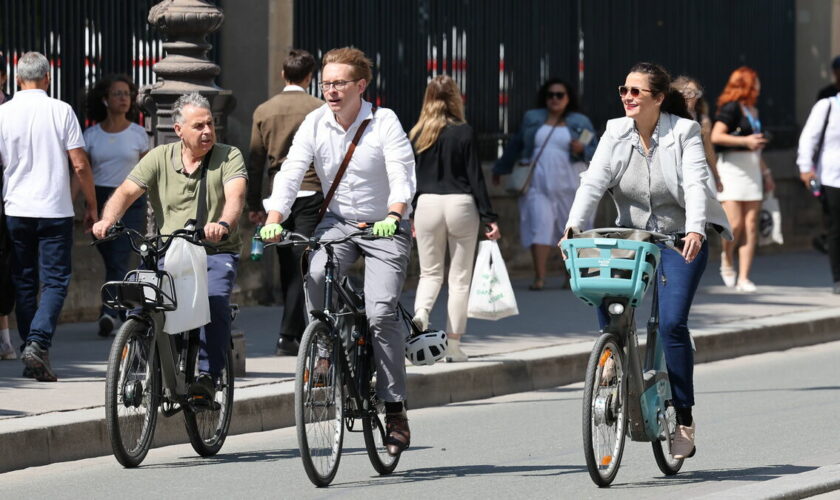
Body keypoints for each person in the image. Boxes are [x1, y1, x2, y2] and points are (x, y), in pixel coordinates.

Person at [563, 62, 732, 460]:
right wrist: (573, 226)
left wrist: (694, 229)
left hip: (678, 240)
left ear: (658, 98)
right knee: (607, 292)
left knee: (672, 324)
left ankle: (685, 419)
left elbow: (694, 183)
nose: (628, 97)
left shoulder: (684, 132)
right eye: (625, 90)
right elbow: (594, 180)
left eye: (637, 92)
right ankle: (613, 356)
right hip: (633, 238)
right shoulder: (614, 130)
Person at [261, 47, 415, 457]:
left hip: (385, 224)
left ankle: (395, 408)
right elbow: (292, 172)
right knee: (314, 272)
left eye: (338, 84)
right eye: (326, 83)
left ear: (360, 86)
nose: (330, 90)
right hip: (339, 223)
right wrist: (275, 217)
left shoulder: (384, 122)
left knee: (381, 311)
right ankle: (326, 348)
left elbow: (402, 174)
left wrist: (395, 213)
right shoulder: (314, 122)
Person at [92, 92, 247, 398]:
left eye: (210, 125)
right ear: (178, 130)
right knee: (145, 299)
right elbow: (125, 192)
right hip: (170, 249)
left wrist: (223, 225)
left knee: (214, 299)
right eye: (198, 126)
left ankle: (208, 375)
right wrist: (106, 220)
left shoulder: (229, 156)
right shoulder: (160, 157)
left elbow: (236, 198)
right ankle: (150, 363)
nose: (207, 131)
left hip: (215, 250)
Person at [0, 52, 98, 381]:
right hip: (54, 209)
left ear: (16, 80)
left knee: (24, 282)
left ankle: (33, 351)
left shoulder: (3, 113)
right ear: (48, 78)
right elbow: (80, 164)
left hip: (15, 209)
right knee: (55, 281)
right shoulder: (61, 110)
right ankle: (38, 342)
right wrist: (92, 206)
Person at [409, 75, 501, 363]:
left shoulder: (417, 133)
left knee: (429, 273)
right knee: (459, 279)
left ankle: (421, 313)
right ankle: (453, 346)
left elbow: (409, 179)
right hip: (460, 204)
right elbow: (476, 176)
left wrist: (410, 212)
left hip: (426, 204)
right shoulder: (464, 132)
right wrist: (489, 216)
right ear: (455, 98)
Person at [248, 49, 323, 356]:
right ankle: (290, 333)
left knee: (288, 265)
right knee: (303, 263)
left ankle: (290, 333)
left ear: (283, 74)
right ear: (310, 76)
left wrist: (254, 203)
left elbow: (254, 160)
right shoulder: (318, 108)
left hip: (277, 194)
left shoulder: (265, 110)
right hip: (310, 189)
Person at [493, 78, 598, 290]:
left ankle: (571, 276)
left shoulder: (580, 121)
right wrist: (500, 168)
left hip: (571, 182)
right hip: (538, 182)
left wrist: (582, 149)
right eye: (551, 95)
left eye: (560, 95)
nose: (555, 99)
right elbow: (516, 144)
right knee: (539, 225)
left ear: (568, 98)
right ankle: (540, 277)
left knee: (571, 227)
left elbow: (595, 150)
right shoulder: (533, 118)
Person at [83, 74, 149, 337]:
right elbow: (83, 172)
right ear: (105, 99)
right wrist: (78, 204)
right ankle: (122, 311)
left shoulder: (138, 133)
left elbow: (147, 171)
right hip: (99, 199)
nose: (124, 98)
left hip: (131, 201)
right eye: (117, 93)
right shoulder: (91, 134)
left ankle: (109, 312)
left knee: (120, 255)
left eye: (127, 94)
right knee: (110, 255)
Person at [710, 66, 775, 293]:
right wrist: (745, 142)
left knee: (751, 226)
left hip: (753, 169)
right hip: (732, 169)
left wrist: (766, 173)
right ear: (746, 84)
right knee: (734, 224)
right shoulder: (731, 108)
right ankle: (727, 258)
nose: (759, 86)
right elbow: (716, 135)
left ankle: (744, 277)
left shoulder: (753, 110)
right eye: (755, 82)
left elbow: (756, 149)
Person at [798, 91, 840, 292]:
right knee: (835, 228)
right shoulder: (828, 106)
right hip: (832, 177)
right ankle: (838, 278)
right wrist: (805, 168)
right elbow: (809, 138)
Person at [672, 76, 722, 192]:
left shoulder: (702, 119)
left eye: (694, 93)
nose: (689, 97)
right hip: (675, 168)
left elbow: (708, 149)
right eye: (684, 92)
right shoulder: (668, 117)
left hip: (698, 167)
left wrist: (716, 176)